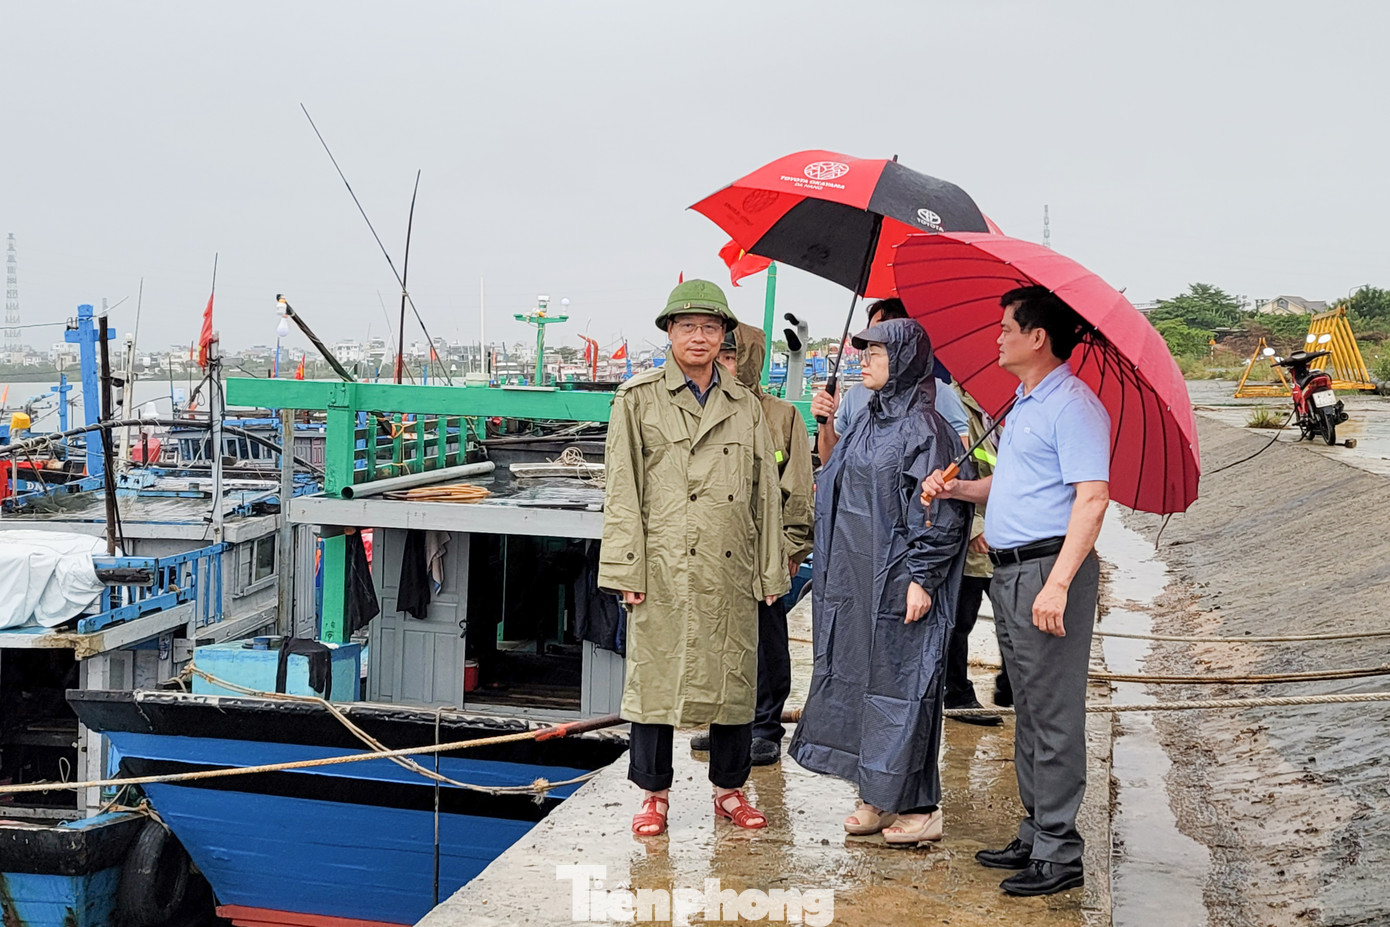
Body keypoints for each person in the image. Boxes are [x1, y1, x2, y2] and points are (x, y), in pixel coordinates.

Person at [921, 285, 1110, 897]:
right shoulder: (1024, 404)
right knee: (1026, 708)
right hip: (1009, 569)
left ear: (1038, 337)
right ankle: (1036, 831)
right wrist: (955, 490)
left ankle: (1060, 852)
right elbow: (1012, 490)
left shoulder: (1073, 405)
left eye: (1007, 328)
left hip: (1048, 571)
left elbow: (1091, 498)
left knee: (1053, 713)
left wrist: (1057, 586)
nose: (998, 338)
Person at [599, 278, 790, 838]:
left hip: (730, 563)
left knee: (734, 679)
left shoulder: (745, 406)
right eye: (688, 327)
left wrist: (770, 567)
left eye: (711, 328)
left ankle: (730, 790)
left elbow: (765, 494)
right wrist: (627, 568)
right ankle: (653, 794)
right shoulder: (637, 400)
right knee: (654, 679)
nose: (700, 338)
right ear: (670, 334)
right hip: (662, 564)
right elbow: (622, 488)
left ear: (724, 336)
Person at [788, 317, 971, 846]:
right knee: (853, 676)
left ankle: (919, 803)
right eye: (863, 352)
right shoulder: (866, 419)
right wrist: (825, 422)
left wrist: (924, 578)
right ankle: (874, 792)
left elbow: (938, 515)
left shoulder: (927, 430)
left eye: (876, 353)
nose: (864, 360)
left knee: (903, 686)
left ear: (905, 360)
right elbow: (831, 474)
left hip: (900, 579)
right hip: (853, 574)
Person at [690, 323, 814, 765]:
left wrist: (791, 548)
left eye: (726, 356)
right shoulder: (699, 411)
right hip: (710, 549)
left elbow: (798, 488)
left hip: (764, 553)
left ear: (744, 361)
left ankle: (764, 728)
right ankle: (722, 722)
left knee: (765, 644)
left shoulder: (781, 417)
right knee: (712, 638)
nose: (716, 363)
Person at [811, 298, 970, 464]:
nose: (864, 360)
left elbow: (958, 462)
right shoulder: (855, 395)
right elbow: (831, 463)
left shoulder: (941, 394)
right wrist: (826, 423)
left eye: (887, 334)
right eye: (872, 334)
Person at [943, 385, 1003, 726]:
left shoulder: (1000, 410)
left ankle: (1009, 687)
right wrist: (976, 526)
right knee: (960, 620)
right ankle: (958, 695)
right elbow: (951, 470)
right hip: (972, 536)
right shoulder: (956, 406)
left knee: (1012, 617)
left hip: (1005, 535)